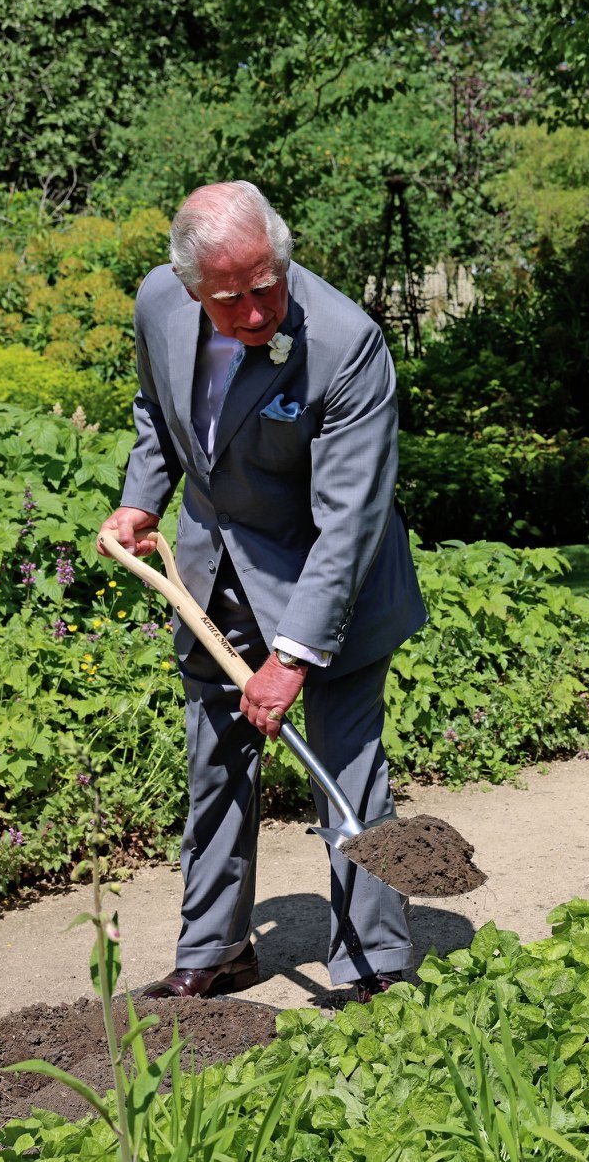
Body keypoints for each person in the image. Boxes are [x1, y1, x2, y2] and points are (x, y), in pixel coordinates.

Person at [98, 181, 426, 1003]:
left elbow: (348, 521)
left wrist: (293, 655)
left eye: (266, 286)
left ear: (281, 258)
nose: (253, 312)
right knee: (214, 761)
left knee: (345, 767)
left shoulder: (346, 343)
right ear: (190, 287)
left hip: (332, 584)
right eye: (229, 298)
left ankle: (373, 963)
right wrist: (142, 499)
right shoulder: (158, 303)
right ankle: (216, 948)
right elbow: (156, 413)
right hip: (213, 573)